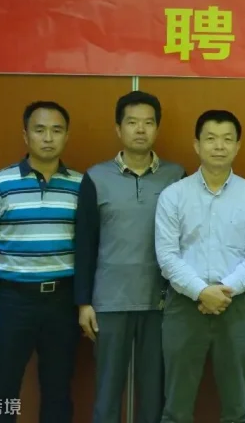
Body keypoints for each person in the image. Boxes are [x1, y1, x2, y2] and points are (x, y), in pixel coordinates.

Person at [0, 101, 83, 423]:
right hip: (13, 301)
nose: (48, 138)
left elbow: (90, 247)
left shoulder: (81, 185)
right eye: (39, 130)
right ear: (25, 135)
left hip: (63, 301)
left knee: (58, 390)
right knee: (3, 389)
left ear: (66, 136)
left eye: (56, 130)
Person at [73, 91, 185, 423]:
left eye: (148, 123)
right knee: (107, 392)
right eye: (132, 122)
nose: (140, 129)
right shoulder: (95, 178)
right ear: (118, 128)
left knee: (155, 394)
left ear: (157, 128)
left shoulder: (176, 176)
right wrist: (83, 302)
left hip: (161, 302)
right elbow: (85, 243)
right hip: (109, 302)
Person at [154, 109, 245, 423]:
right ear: (196, 144)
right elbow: (167, 256)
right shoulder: (173, 195)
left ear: (237, 146)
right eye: (211, 139)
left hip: (236, 307)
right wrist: (201, 292)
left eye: (227, 139)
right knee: (176, 407)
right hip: (184, 307)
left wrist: (223, 291)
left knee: (238, 407)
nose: (219, 146)